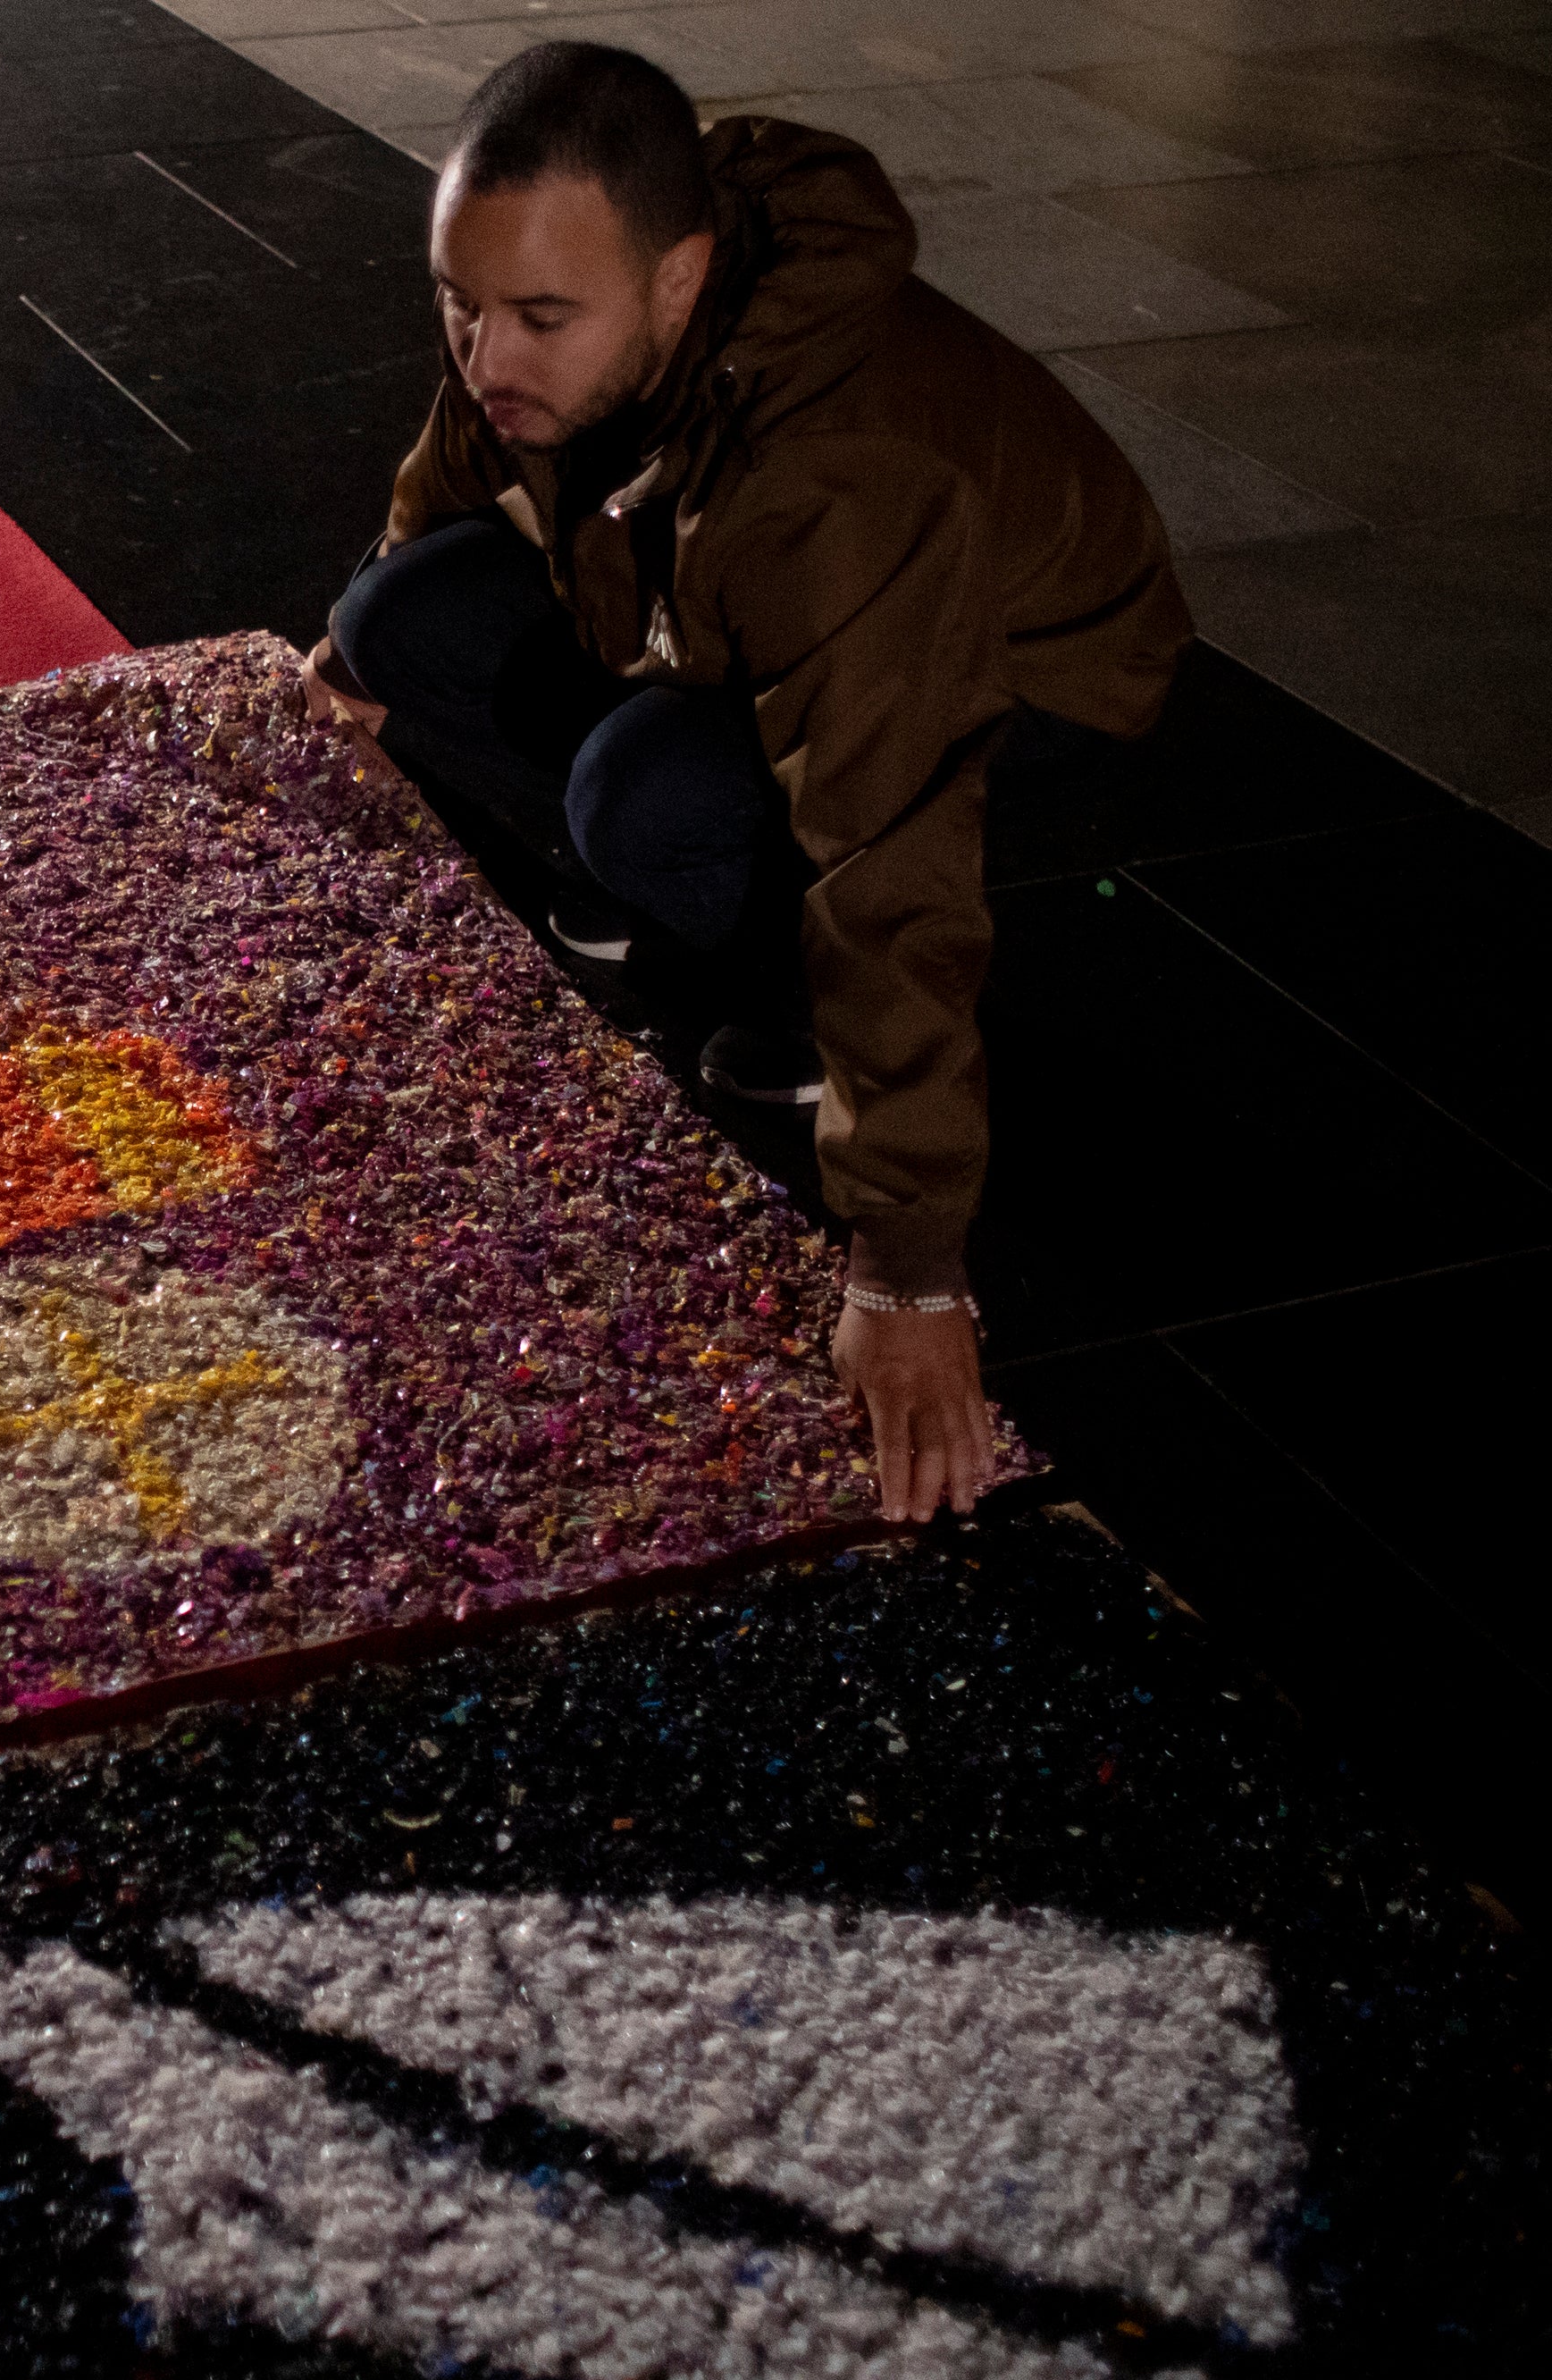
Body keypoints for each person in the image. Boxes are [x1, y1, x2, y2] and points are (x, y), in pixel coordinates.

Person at [298, 42, 1187, 1527]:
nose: (488, 357)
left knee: (643, 803)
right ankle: (648, 852)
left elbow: (892, 851)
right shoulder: (584, 305)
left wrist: (907, 1267)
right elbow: (462, 442)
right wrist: (346, 646)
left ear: (680, 277)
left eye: (540, 318)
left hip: (1020, 674)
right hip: (731, 603)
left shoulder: (841, 473)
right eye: (460, 303)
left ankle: (780, 985)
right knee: (403, 617)